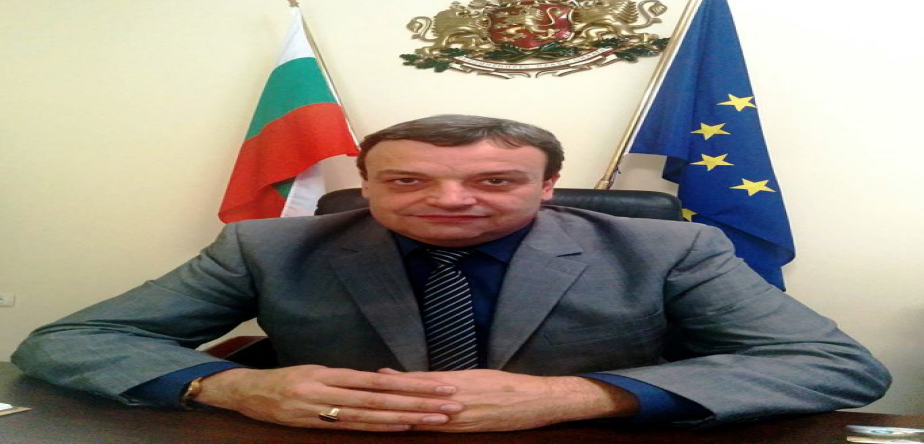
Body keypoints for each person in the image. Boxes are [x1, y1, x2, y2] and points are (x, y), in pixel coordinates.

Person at [13, 114, 890, 433]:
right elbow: (72, 340)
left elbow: (835, 365)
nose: (451, 199)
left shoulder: (669, 248)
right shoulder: (266, 247)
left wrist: (580, 395)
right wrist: (229, 387)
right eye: (407, 180)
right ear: (367, 185)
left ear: (548, 187)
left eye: (495, 181)